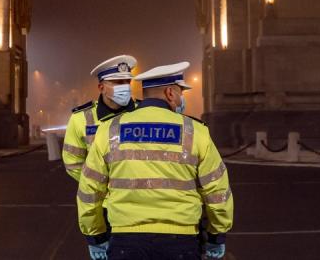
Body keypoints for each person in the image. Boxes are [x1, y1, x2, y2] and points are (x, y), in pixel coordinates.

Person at [76, 62, 233, 260]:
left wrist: (96, 236)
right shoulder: (195, 131)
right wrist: (216, 235)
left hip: (125, 239)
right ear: (170, 93)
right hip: (181, 240)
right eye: (180, 92)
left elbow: (90, 189)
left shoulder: (109, 130)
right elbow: (217, 190)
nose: (181, 98)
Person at [62, 55, 138, 181]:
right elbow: (73, 163)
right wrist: (98, 185)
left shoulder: (142, 111)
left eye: (127, 82)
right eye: (118, 82)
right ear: (101, 88)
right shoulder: (80, 118)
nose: (125, 87)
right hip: (100, 197)